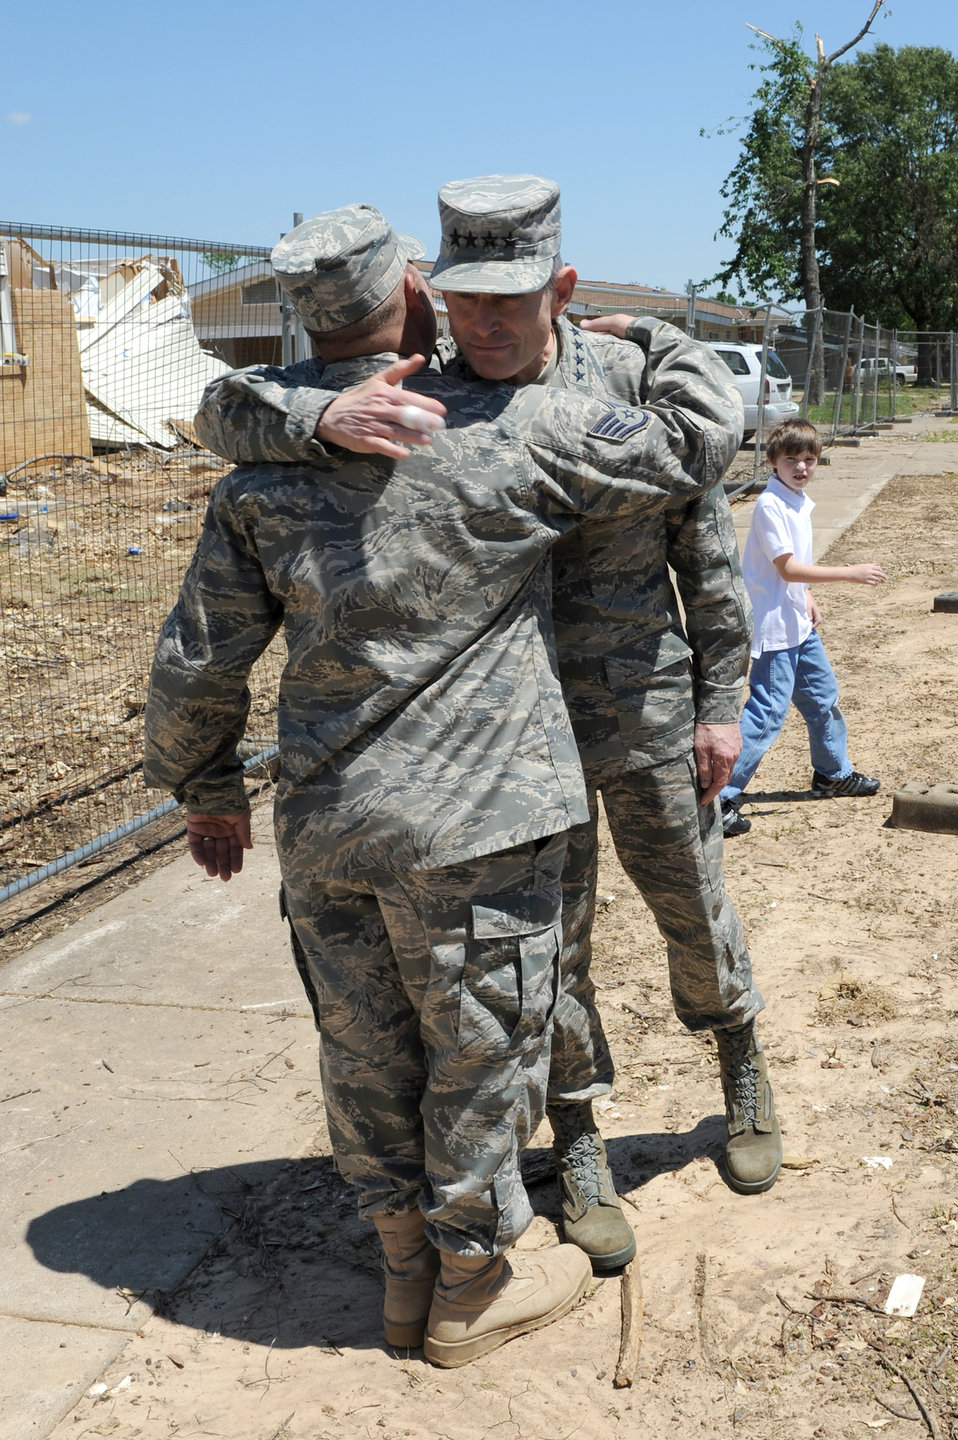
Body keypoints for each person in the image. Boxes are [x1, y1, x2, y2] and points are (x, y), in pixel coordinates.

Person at [148, 205, 720, 1366]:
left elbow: (197, 658)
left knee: (362, 1049)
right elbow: (695, 446)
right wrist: (657, 341)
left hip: (327, 826)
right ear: (417, 287)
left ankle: (400, 1268)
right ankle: (473, 1280)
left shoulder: (262, 468)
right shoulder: (515, 431)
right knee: (479, 1047)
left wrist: (204, 791)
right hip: (483, 820)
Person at [719, 417, 884, 837]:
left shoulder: (796, 500)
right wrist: (849, 573)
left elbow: (791, 573)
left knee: (822, 697)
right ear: (773, 461)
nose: (802, 467)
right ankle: (718, 797)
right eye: (791, 459)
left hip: (797, 623)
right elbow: (787, 567)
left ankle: (832, 773)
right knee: (767, 713)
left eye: (810, 459)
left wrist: (806, 596)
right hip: (775, 627)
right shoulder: (771, 505)